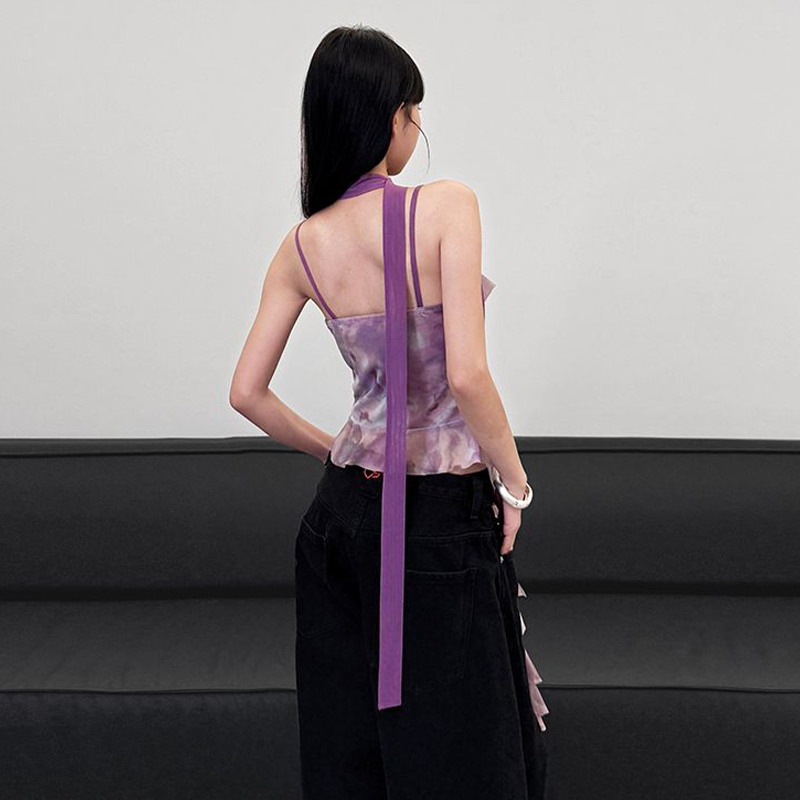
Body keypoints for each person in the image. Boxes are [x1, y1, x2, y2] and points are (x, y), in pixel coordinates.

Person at [230, 23, 549, 800]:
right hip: (438, 518)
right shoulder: (447, 206)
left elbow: (246, 393)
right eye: (414, 110)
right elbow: (467, 374)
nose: (416, 126)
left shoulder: (302, 245)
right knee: (465, 754)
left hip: (339, 521)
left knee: (349, 754)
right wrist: (514, 484)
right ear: (389, 117)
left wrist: (341, 453)